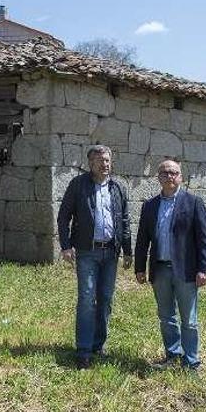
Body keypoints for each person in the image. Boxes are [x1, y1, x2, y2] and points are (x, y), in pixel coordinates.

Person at [57, 145, 132, 369]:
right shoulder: (78, 185)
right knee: (87, 299)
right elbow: (63, 217)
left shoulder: (118, 187)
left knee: (106, 299)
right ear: (90, 163)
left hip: (111, 251)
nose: (105, 164)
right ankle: (83, 350)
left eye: (108, 160)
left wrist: (127, 250)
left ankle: (98, 345)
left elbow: (125, 220)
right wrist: (66, 246)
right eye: (100, 160)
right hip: (87, 251)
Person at [134, 158, 206, 371]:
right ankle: (173, 355)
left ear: (181, 177)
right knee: (166, 317)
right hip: (160, 270)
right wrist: (140, 267)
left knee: (189, 320)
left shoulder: (193, 202)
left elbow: (204, 239)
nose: (169, 176)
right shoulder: (150, 206)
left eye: (174, 173)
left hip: (186, 270)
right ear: (158, 177)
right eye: (165, 173)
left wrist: (204, 269)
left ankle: (191, 361)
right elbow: (142, 239)